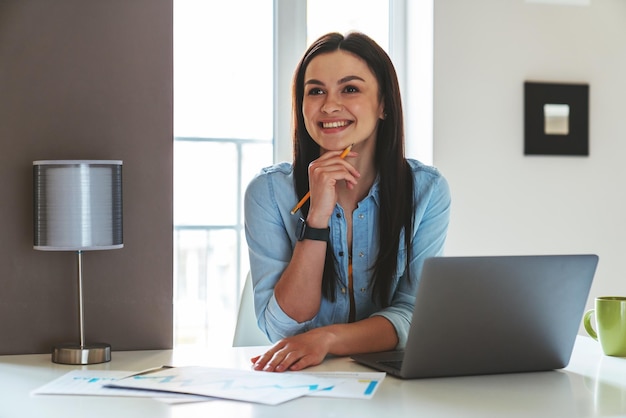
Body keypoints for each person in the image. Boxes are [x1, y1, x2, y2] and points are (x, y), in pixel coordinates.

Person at [244, 31, 451, 372]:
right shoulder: (268, 192)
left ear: (383, 104)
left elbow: (413, 315)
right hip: (300, 382)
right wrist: (317, 218)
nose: (329, 105)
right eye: (315, 91)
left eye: (350, 89)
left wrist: (327, 339)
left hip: (390, 382)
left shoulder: (427, 191)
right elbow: (281, 327)